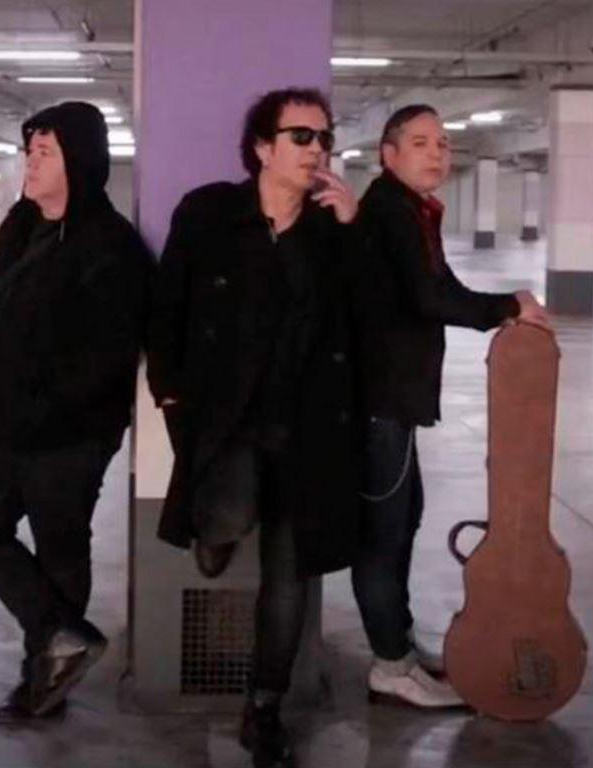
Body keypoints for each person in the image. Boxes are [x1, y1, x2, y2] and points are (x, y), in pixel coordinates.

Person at [148, 88, 364, 768]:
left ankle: (263, 709)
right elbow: (167, 307)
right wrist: (169, 394)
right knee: (227, 514)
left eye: (325, 138)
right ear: (263, 148)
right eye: (302, 136)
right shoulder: (209, 213)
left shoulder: (331, 231)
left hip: (307, 429)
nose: (317, 149)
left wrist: (353, 231)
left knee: (289, 575)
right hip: (228, 420)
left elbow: (365, 319)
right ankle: (213, 533)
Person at [0, 101, 154, 726]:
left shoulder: (111, 247)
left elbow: (107, 358)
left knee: (61, 548)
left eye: (45, 152)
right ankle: (60, 637)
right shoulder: (19, 224)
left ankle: (44, 681)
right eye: (28, 151)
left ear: (79, 162)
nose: (30, 163)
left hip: (69, 436)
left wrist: (40, 410)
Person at [353, 104, 550, 709]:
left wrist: (505, 307)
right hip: (380, 400)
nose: (436, 153)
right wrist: (508, 307)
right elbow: (430, 297)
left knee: (404, 519)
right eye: (419, 142)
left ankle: (400, 647)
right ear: (388, 154)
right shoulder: (391, 212)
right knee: (383, 536)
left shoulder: (413, 210)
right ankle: (390, 666)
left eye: (441, 142)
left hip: (397, 398)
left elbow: (440, 289)